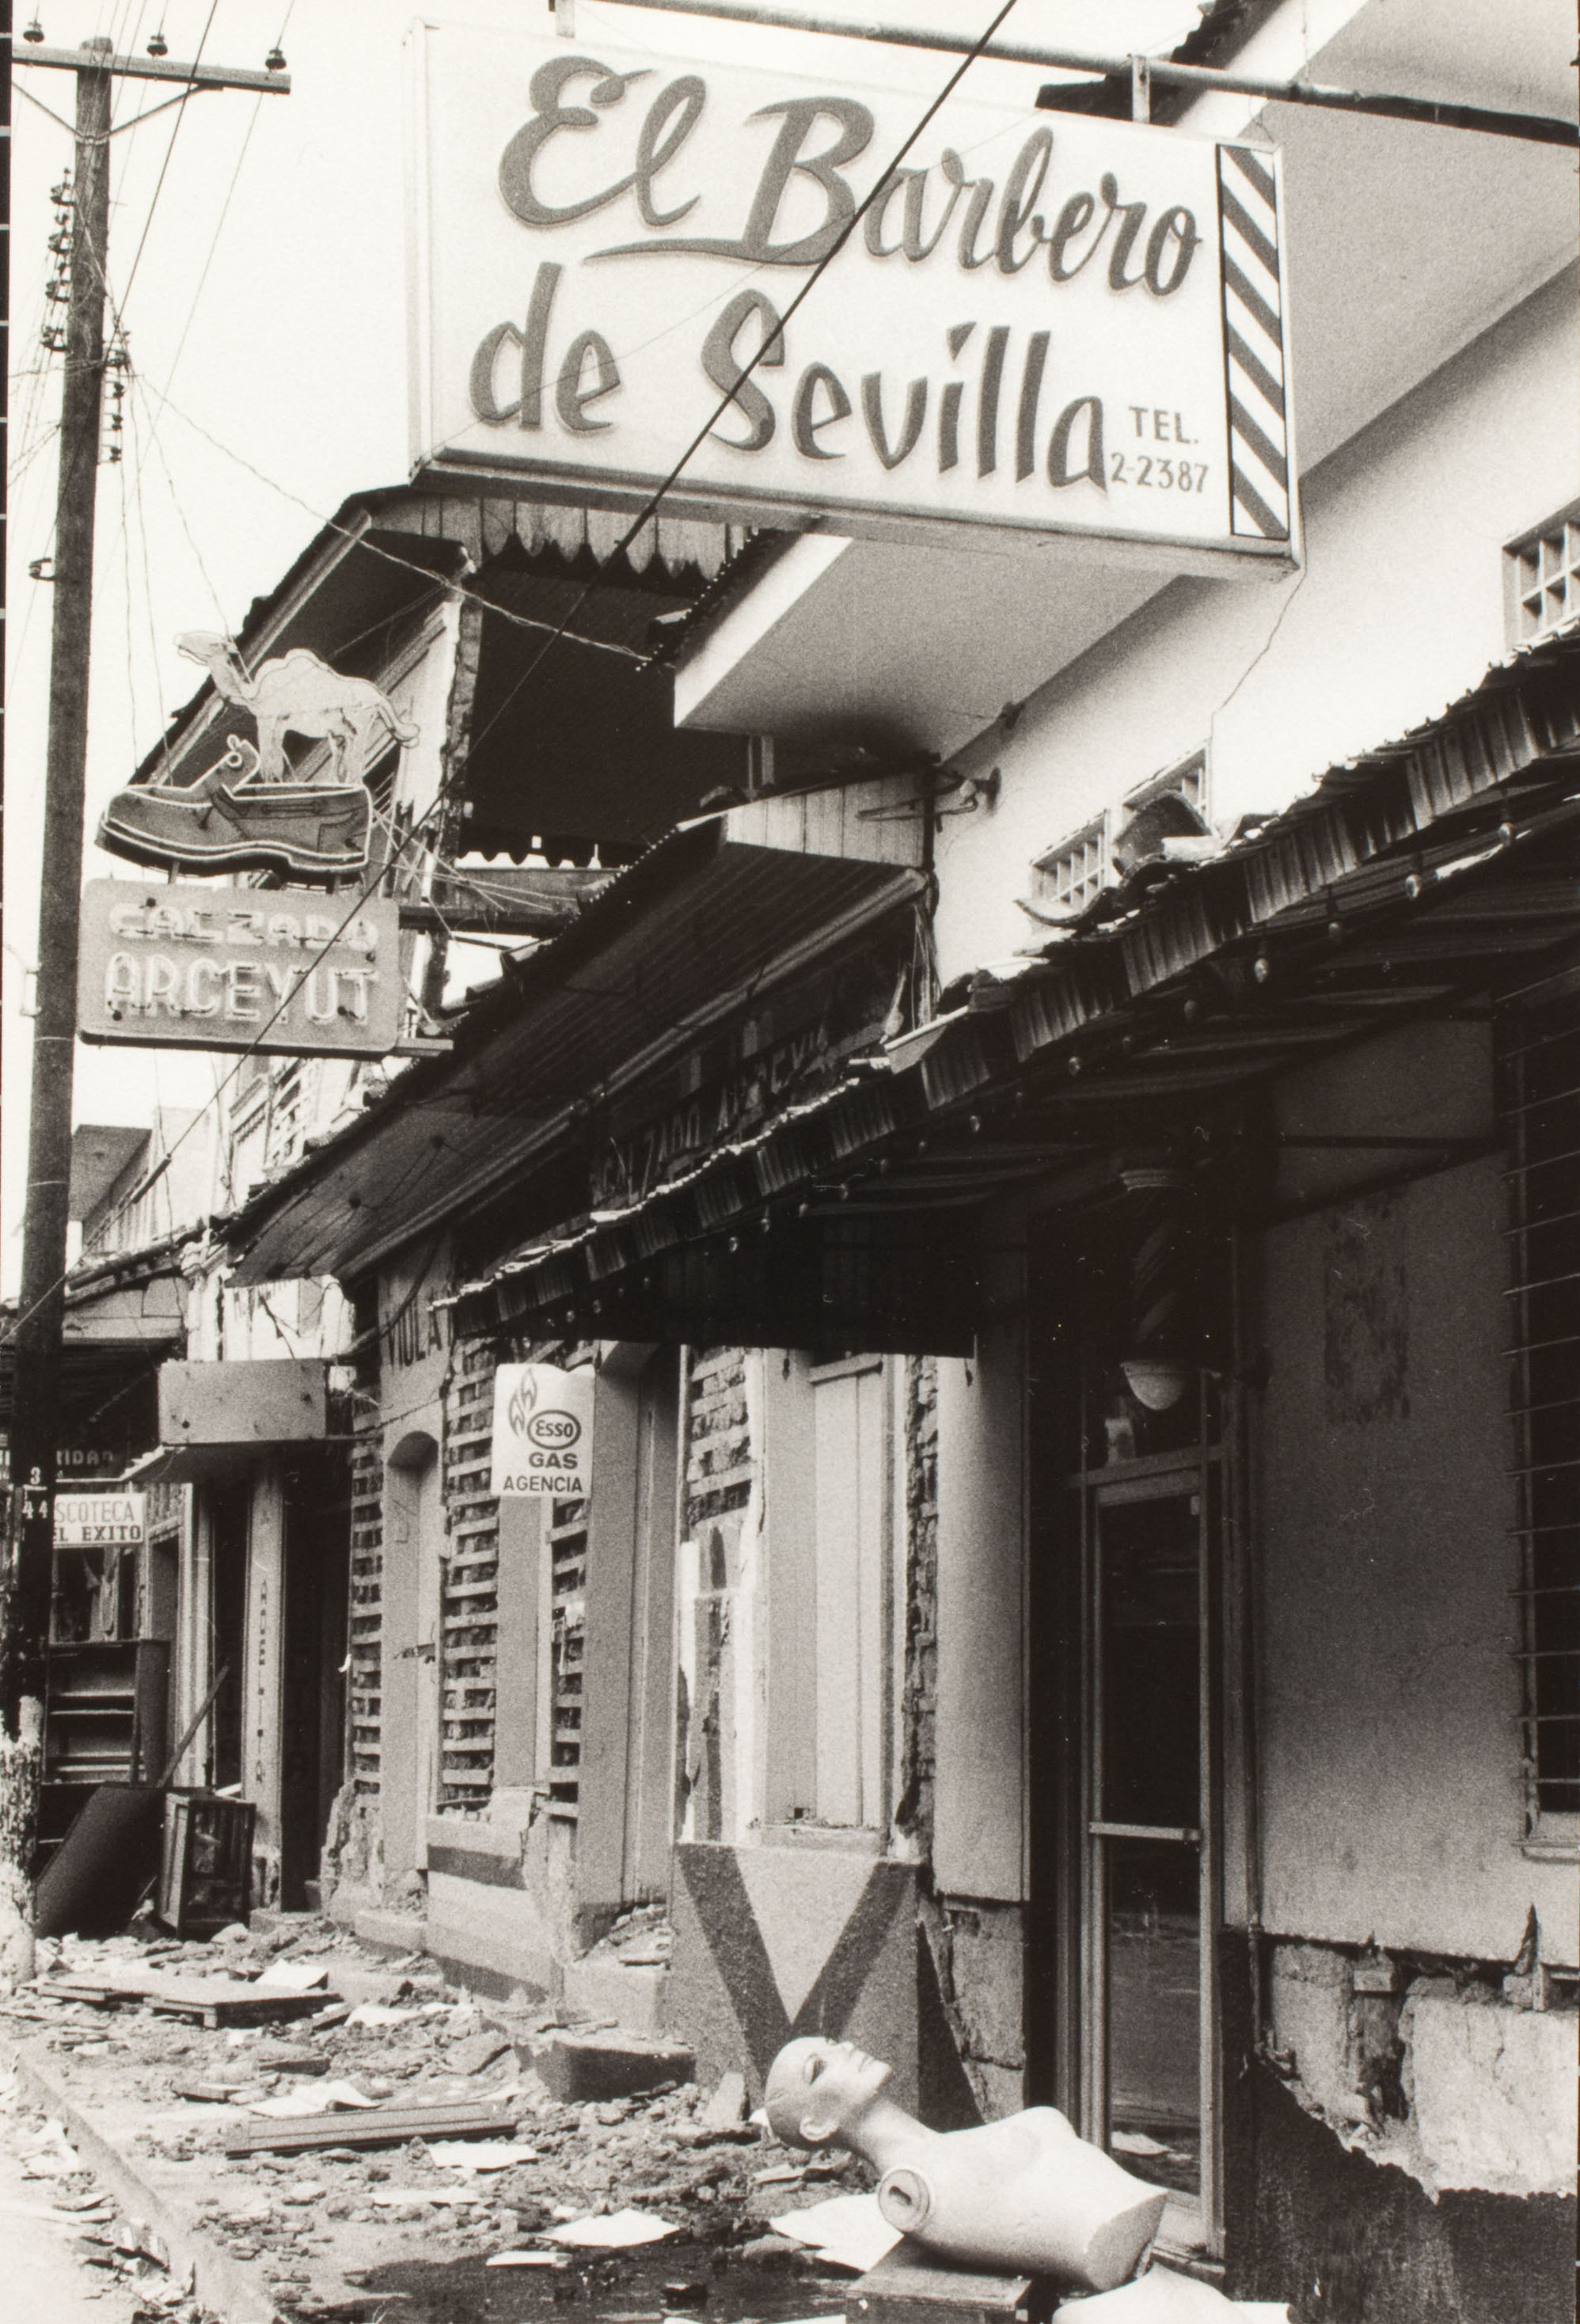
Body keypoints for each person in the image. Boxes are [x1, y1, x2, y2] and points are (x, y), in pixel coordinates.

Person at [763, 2035, 1167, 2292]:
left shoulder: (933, 2153)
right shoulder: (911, 2190)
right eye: (819, 2067)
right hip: (1110, 2251)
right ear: (818, 2126)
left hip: (1126, 2241)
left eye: (832, 2041)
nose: (845, 2048)